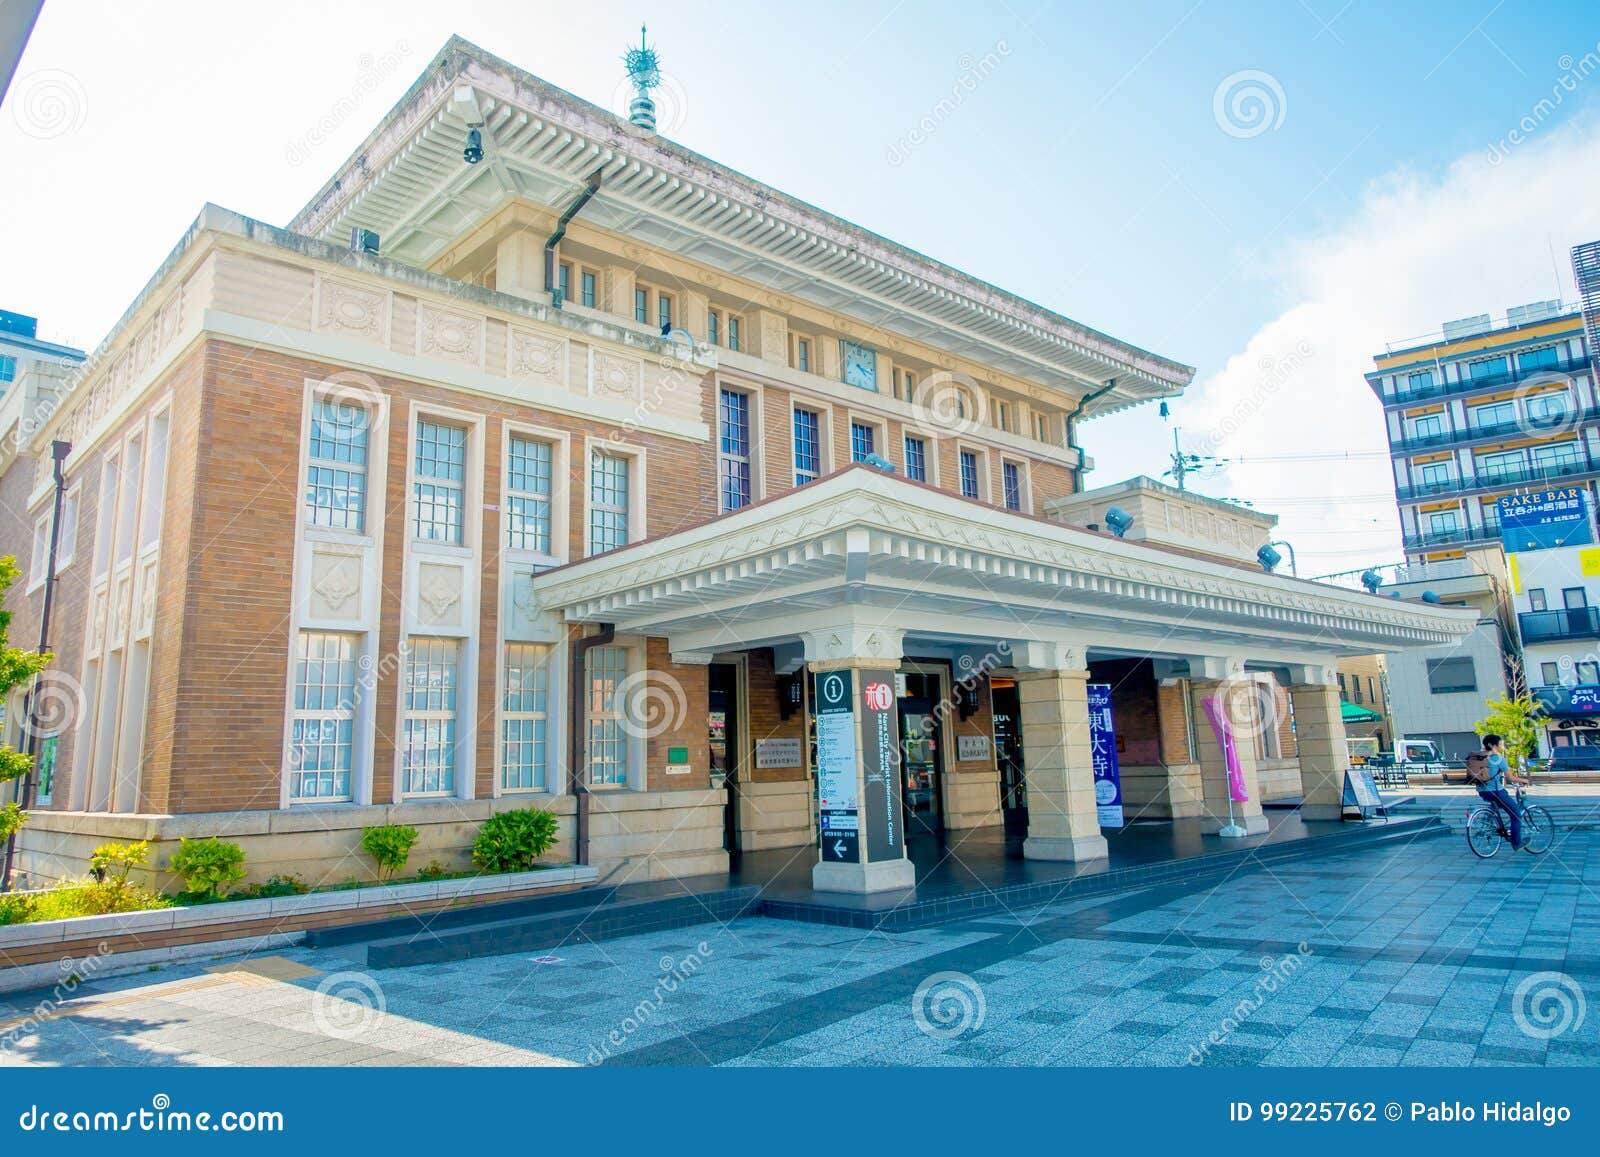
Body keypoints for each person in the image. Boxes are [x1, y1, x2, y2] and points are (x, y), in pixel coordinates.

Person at [1478, 734, 1524, 851]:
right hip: (1496, 792)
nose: (1501, 746)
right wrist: (1524, 780)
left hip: (1483, 792)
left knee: (1496, 805)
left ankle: (1488, 820)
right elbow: (1510, 778)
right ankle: (1516, 843)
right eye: (1500, 744)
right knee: (1516, 816)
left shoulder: (1480, 757)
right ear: (1491, 745)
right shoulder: (1498, 759)